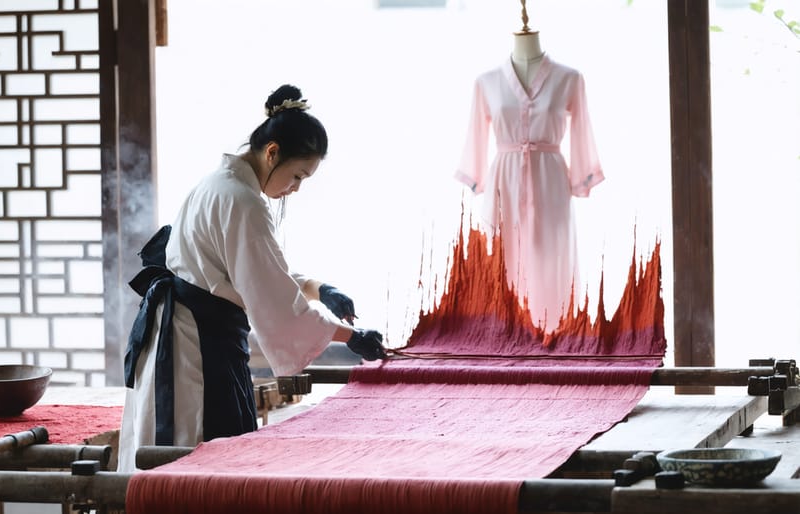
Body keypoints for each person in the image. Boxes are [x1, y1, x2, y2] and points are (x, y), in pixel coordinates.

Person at [117, 84, 387, 472]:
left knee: (183, 451)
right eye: (297, 176)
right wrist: (352, 338)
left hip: (184, 331)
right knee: (202, 457)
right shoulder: (243, 201)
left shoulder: (217, 184)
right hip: (197, 345)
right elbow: (276, 303)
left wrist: (318, 288)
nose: (294, 189)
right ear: (272, 152)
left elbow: (254, 272)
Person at [454, 27, 604, 332]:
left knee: (552, 257)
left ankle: (554, 334)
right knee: (502, 257)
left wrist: (582, 175)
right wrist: (476, 176)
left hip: (549, 180)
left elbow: (581, 131)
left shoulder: (569, 79)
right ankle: (503, 335)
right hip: (503, 179)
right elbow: (476, 135)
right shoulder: (487, 83)